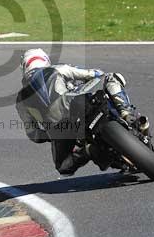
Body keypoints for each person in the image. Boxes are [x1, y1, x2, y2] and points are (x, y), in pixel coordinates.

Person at [15, 48, 139, 176]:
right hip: (78, 105)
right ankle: (126, 112)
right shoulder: (57, 69)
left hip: (59, 130)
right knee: (112, 77)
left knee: (63, 167)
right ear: (45, 60)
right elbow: (94, 74)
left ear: (25, 68)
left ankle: (88, 151)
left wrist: (48, 135)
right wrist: (83, 85)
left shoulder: (20, 99)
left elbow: (33, 133)